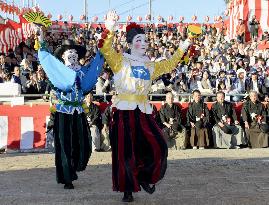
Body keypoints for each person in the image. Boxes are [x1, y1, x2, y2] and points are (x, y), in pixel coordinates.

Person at [99, 10, 196, 202]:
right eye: (139, 40)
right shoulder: (120, 60)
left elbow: (169, 65)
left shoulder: (150, 65)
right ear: (130, 42)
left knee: (159, 145)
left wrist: (184, 44)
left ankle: (143, 176)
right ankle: (127, 189)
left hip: (143, 112)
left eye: (145, 41)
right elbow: (105, 48)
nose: (143, 44)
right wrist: (110, 26)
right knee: (126, 152)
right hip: (124, 111)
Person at [36, 24, 104, 189]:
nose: (72, 55)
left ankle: (75, 167)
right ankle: (67, 177)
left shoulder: (83, 71)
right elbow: (45, 57)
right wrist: (40, 36)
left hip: (79, 111)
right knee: (64, 146)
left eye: (74, 52)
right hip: (63, 111)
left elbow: (95, 66)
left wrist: (103, 44)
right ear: (63, 56)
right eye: (69, 52)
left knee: (85, 144)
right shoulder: (57, 72)